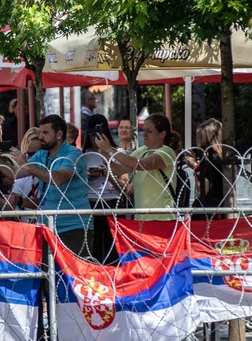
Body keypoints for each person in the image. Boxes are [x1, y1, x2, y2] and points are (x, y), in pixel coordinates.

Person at [9, 114, 91, 257]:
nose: (41, 136)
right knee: (49, 276)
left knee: (73, 276)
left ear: (59, 134)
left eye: (45, 133)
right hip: (49, 226)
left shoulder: (73, 154)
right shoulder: (42, 154)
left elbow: (59, 179)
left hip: (74, 226)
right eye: (40, 132)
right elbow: (14, 174)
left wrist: (27, 166)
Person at [95, 113, 178, 221]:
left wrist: (110, 150)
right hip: (141, 218)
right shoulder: (143, 151)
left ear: (162, 134)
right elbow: (119, 169)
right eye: (144, 130)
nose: (144, 134)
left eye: (149, 131)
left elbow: (140, 164)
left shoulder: (167, 152)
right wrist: (106, 158)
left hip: (162, 218)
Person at [84, 114, 124, 264]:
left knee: (113, 248)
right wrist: (87, 176)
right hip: (91, 203)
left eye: (99, 135)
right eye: (93, 135)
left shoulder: (117, 153)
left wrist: (108, 173)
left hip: (112, 202)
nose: (96, 139)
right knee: (93, 248)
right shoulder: (83, 156)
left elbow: (125, 187)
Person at [185, 118, 228, 218]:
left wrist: (195, 166)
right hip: (222, 206)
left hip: (210, 209)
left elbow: (203, 190)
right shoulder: (224, 157)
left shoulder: (211, 159)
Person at [8, 127, 43, 222]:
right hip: (27, 225)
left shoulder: (50, 171)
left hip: (48, 223)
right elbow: (13, 203)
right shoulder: (21, 175)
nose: (35, 157)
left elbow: (44, 202)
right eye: (29, 141)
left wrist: (21, 202)